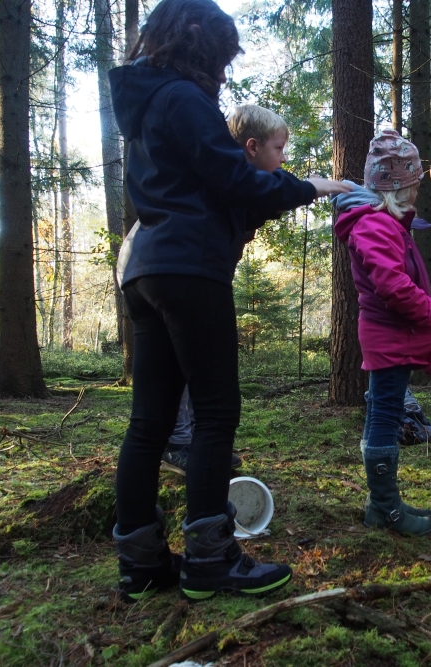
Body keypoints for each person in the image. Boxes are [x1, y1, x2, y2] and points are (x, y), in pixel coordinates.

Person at [108, 0, 350, 603]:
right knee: (216, 413)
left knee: (150, 420)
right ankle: (211, 559)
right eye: (221, 54)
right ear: (200, 44)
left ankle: (140, 562)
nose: (224, 68)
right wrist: (311, 186)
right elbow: (236, 180)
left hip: (145, 270)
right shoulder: (183, 100)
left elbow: (203, 185)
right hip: (189, 269)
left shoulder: (143, 105)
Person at [160, 104, 295, 476]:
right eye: (279, 149)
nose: (283, 157)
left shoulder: (239, 183)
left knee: (193, 360)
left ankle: (193, 441)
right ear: (252, 146)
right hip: (177, 274)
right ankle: (178, 442)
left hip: (195, 274)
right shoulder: (224, 178)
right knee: (187, 361)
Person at [332, 130, 431, 536]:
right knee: (384, 415)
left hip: (393, 337)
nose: (417, 193)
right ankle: (384, 506)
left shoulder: (384, 223)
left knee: (384, 412)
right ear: (399, 186)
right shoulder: (375, 225)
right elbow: (392, 286)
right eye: (413, 185)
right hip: (389, 337)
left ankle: (383, 501)